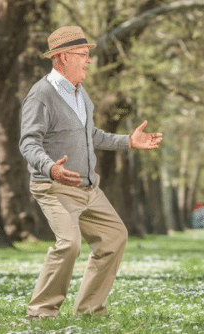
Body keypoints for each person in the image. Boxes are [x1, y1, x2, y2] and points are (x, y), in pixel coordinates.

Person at [19, 26, 163, 319]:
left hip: (88, 188)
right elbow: (28, 142)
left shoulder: (80, 93)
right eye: (83, 55)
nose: (89, 61)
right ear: (61, 58)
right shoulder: (41, 95)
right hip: (54, 187)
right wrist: (51, 168)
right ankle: (41, 311)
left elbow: (91, 134)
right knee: (69, 244)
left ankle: (89, 310)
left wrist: (128, 142)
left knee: (114, 237)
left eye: (88, 55)